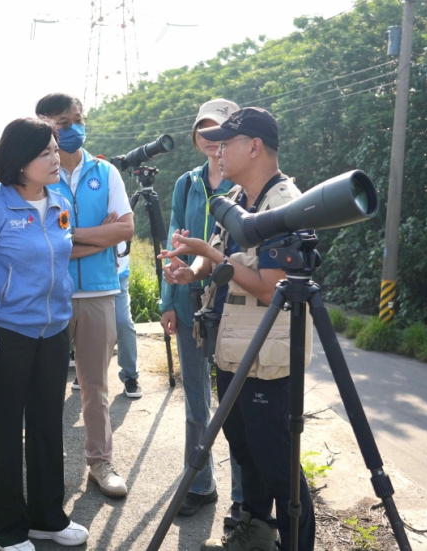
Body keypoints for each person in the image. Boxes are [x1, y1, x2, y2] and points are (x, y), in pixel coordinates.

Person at [159, 107, 314, 551]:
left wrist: (213, 256)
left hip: (266, 359)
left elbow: (270, 288)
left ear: (254, 147)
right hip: (235, 349)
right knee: (246, 453)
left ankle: (297, 544)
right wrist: (193, 270)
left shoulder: (283, 205)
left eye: (226, 142)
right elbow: (223, 261)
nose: (217, 149)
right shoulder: (243, 199)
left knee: (278, 464)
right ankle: (256, 531)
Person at [0, 118, 89, 551]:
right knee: (3, 431)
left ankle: (47, 517)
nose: (55, 158)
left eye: (55, 150)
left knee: (47, 426)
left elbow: (63, 251)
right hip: (8, 334)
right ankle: (7, 527)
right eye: (44, 153)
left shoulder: (58, 200)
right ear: (19, 162)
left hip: (54, 331)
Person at [38, 93, 134, 498]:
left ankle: (100, 463)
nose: (71, 128)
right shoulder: (37, 175)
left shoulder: (106, 171)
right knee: (43, 390)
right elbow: (40, 242)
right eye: (61, 122)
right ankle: (44, 472)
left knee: (95, 387)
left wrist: (70, 239)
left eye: (75, 119)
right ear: (45, 127)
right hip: (49, 294)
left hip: (98, 292)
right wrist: (100, 236)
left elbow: (125, 230)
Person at [160, 98, 244, 520]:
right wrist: (169, 301)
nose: (212, 140)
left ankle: (245, 502)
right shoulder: (186, 183)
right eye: (204, 131)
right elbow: (175, 248)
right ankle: (199, 483)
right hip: (192, 301)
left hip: (235, 304)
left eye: (220, 131)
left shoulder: (245, 182)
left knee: (238, 405)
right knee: (197, 400)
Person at [114, 242, 142, 398]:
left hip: (118, 273)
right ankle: (84, 370)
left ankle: (130, 376)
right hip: (90, 274)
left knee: (123, 323)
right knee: (88, 323)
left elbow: (127, 228)